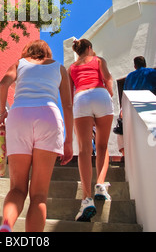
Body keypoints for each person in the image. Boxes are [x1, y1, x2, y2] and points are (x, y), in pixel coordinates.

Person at [0, 39, 73, 232]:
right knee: (39, 195)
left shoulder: (19, 63)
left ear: (28, 51)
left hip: (19, 115)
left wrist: (1, 113)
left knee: (17, 189)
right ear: (47, 53)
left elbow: (3, 84)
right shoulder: (59, 68)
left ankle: (6, 226)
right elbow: (68, 105)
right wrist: (69, 141)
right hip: (48, 117)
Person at [68, 39, 114, 222]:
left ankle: (87, 199)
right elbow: (108, 79)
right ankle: (100, 185)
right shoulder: (99, 60)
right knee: (102, 146)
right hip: (100, 94)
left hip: (81, 99)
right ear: (89, 48)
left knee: (84, 150)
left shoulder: (71, 68)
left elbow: (70, 94)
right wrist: (108, 95)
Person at [116, 56, 156, 156]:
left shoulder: (129, 77)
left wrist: (122, 110)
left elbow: (125, 94)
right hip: (150, 106)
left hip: (134, 109)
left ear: (134, 66)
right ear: (145, 64)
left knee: (139, 136)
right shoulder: (152, 73)